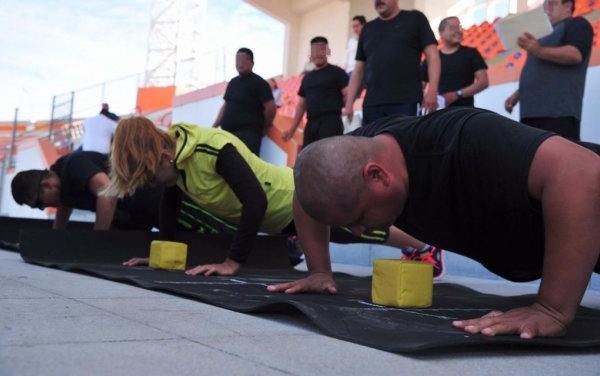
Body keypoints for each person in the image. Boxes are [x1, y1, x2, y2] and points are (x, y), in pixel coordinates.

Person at [267, 107, 600, 340]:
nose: (357, 231)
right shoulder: (359, 153)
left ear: (377, 176)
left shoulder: (465, 138)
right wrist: (319, 271)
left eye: (358, 217)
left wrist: (552, 308)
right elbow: (309, 187)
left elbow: (581, 173)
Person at [108, 117, 443, 277]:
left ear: (163, 155)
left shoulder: (212, 147)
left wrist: (232, 262)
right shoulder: (176, 169)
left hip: (291, 198)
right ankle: (420, 245)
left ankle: (426, 246)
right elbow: (170, 206)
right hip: (273, 219)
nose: (154, 184)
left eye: (151, 176)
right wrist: (161, 254)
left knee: (359, 229)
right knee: (349, 235)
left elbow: (255, 200)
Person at [343, 0, 440, 125]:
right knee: (372, 147)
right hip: (372, 105)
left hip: (406, 101)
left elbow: (433, 56)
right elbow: (358, 71)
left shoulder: (415, 19)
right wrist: (349, 103)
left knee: (403, 147)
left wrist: (432, 91)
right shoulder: (367, 29)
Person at [505, 0, 593, 139]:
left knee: (558, 160)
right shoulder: (540, 36)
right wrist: (518, 94)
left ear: (568, 6)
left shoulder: (576, 24)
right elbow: (540, 70)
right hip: (530, 113)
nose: (547, 8)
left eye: (553, 3)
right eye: (545, 4)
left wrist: (538, 50)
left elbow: (575, 54)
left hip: (558, 113)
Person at [11, 151, 160, 230]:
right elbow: (65, 205)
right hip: (138, 215)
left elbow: (107, 191)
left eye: (39, 203)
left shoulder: (74, 165)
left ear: (47, 185)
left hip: (158, 200)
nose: (43, 207)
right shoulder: (62, 184)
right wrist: (55, 238)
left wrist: (96, 239)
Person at [282, 36, 349, 148]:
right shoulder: (307, 78)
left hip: (331, 123)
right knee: (309, 159)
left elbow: (347, 95)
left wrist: (342, 108)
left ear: (327, 51)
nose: (318, 54)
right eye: (315, 51)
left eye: (322, 50)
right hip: (311, 124)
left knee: (328, 158)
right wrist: (291, 130)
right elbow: (301, 106)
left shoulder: (338, 72)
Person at [213, 47, 276, 155]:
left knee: (245, 167)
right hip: (228, 134)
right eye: (237, 60)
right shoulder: (233, 82)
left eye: (243, 60)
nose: (240, 63)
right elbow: (226, 105)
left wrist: (264, 127)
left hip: (249, 135)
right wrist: (214, 125)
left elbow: (270, 108)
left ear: (252, 63)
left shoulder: (260, 83)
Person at [422, 16, 489, 108]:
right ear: (441, 33)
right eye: (452, 28)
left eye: (459, 27)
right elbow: (421, 84)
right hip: (439, 112)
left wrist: (458, 94)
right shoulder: (433, 58)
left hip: (465, 112)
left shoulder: (471, 53)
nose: (458, 31)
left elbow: (483, 82)